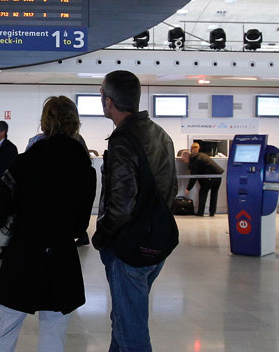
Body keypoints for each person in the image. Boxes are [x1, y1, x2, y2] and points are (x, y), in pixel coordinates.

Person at [0, 96, 96, 352]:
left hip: (23, 260)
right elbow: (80, 228)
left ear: (44, 123)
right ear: (75, 124)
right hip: (61, 264)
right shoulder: (85, 171)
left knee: (3, 333)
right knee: (53, 338)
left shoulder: (24, 163)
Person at [92, 71, 177, 352]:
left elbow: (121, 205)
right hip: (156, 242)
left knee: (132, 335)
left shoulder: (123, 141)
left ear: (109, 101)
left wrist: (101, 237)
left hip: (130, 249)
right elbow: (170, 189)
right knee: (125, 320)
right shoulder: (160, 134)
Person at [184, 142, 224, 217]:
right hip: (218, 175)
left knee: (203, 192)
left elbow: (194, 176)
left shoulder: (195, 160)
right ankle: (212, 212)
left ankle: (200, 213)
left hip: (210, 177)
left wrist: (188, 188)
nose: (183, 161)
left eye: (183, 159)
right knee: (214, 194)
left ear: (187, 156)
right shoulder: (200, 155)